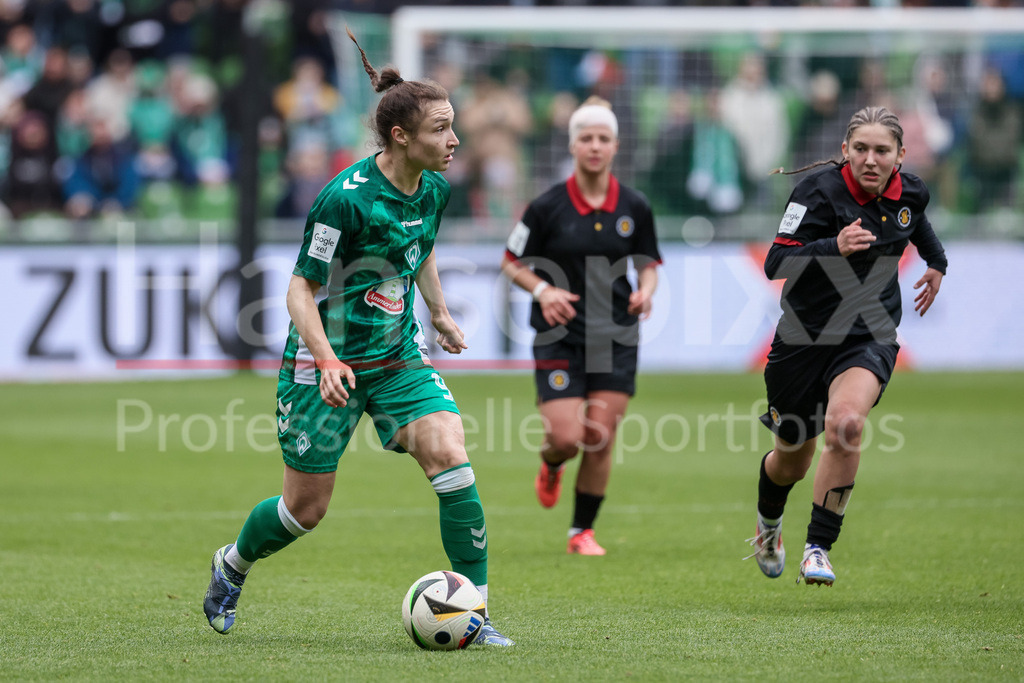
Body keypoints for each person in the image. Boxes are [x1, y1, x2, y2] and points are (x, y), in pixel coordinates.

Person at [203, 28, 513, 646]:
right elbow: (298, 291)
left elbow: (417, 248)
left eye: (453, 127)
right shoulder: (342, 201)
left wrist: (441, 312)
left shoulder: (434, 189)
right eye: (441, 129)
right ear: (402, 136)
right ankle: (231, 564)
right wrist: (325, 360)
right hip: (326, 366)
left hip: (397, 357)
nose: (455, 140)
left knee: (451, 455)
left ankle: (474, 613)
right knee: (304, 511)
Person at [744, 106, 947, 586]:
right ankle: (768, 527)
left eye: (881, 150)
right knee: (791, 460)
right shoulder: (815, 193)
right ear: (844, 151)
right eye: (860, 149)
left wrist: (937, 264)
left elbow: (916, 225)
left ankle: (818, 547)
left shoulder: (911, 191)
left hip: (868, 334)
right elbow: (776, 263)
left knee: (848, 424)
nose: (870, 159)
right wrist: (832, 246)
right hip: (802, 340)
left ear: (900, 155)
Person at [500, 96, 662, 556]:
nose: (595, 146)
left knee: (599, 437)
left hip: (616, 335)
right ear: (572, 146)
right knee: (567, 439)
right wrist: (543, 291)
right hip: (560, 336)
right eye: (586, 138)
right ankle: (551, 464)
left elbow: (648, 263)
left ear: (616, 146)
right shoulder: (546, 206)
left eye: (603, 139)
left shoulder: (636, 205)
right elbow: (511, 262)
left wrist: (647, 288)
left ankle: (581, 533)